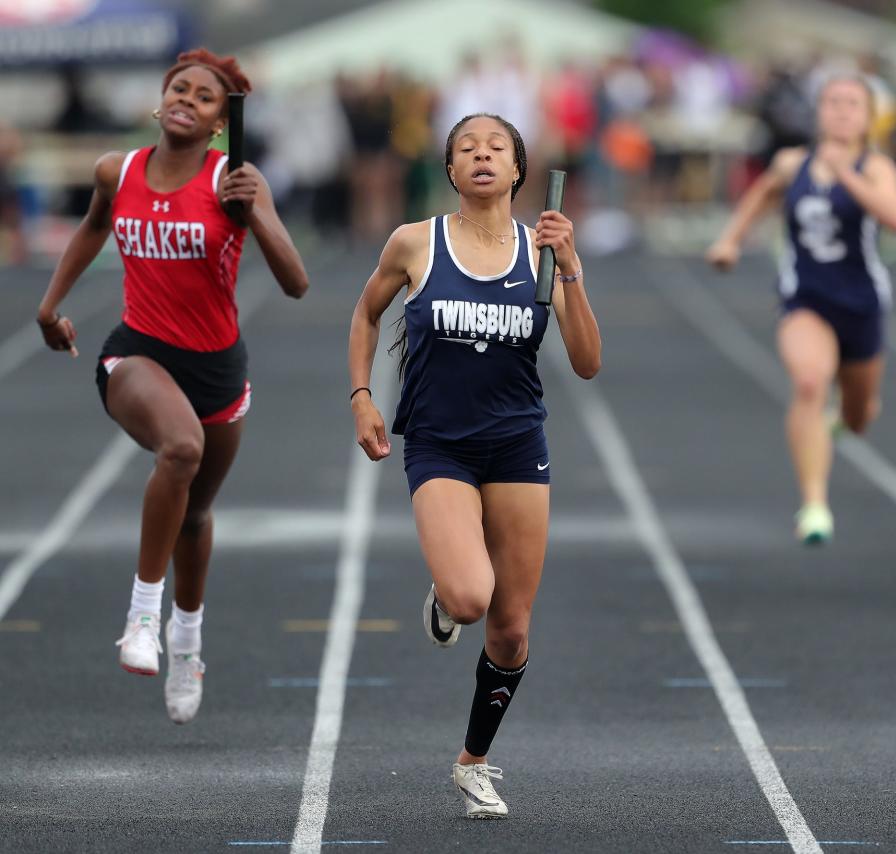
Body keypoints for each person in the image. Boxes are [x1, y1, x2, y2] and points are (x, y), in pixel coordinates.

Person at [36, 48, 309, 723]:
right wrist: (50, 306)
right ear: (161, 103)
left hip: (217, 368)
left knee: (194, 513)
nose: (189, 98)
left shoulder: (234, 179)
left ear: (222, 121)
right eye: (178, 88)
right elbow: (95, 224)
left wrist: (258, 214)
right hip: (136, 352)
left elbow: (296, 283)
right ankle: (142, 618)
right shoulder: (117, 169)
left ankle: (187, 642)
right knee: (179, 450)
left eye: (206, 96)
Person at [348, 113, 601, 817]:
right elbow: (367, 315)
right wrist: (363, 395)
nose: (482, 156)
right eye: (467, 149)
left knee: (511, 629)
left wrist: (572, 267)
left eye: (497, 148)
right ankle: (445, 591)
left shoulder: (542, 250)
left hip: (518, 442)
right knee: (467, 598)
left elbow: (586, 363)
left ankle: (474, 763)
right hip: (440, 443)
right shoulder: (415, 243)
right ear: (451, 171)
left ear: (519, 170)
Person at [706, 74, 896, 544]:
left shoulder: (875, 167)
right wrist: (730, 240)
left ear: (867, 117)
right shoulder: (792, 162)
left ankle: (850, 413)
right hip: (806, 300)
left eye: (852, 104)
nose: (841, 111)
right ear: (818, 112)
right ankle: (815, 506)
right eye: (833, 102)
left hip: (861, 303)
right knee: (809, 382)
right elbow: (761, 195)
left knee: (858, 420)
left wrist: (845, 176)